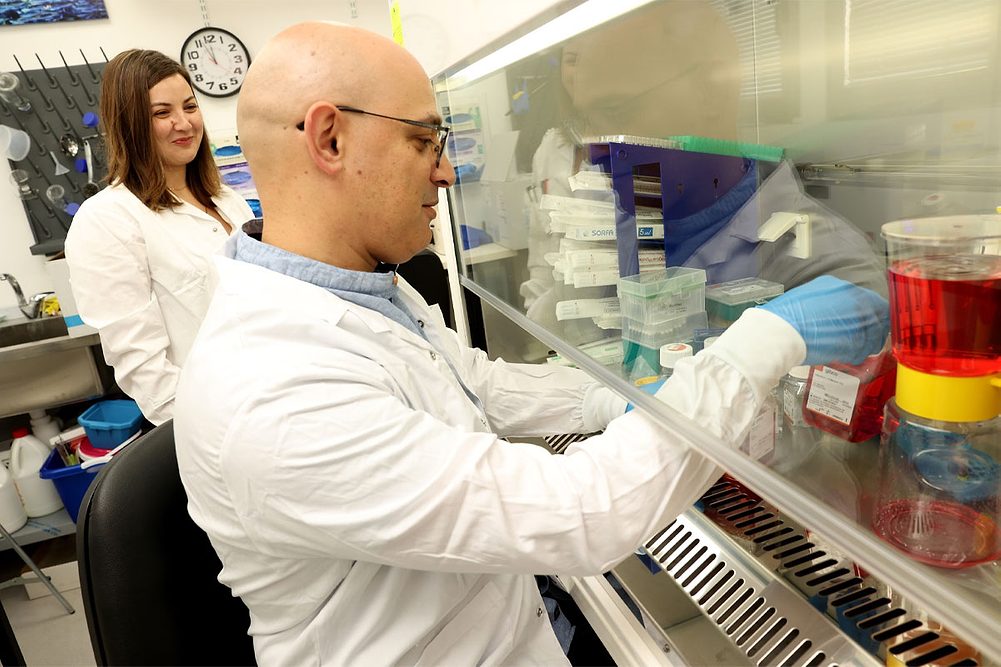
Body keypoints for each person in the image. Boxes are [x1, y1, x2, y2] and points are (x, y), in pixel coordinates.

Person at [173, 22, 889, 665]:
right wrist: (761, 340)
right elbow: (585, 510)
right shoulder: (270, 392)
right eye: (423, 141)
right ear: (329, 139)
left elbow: (475, 384)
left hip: (506, 617)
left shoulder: (359, 289)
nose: (447, 172)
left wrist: (618, 398)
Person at [520, 1, 886, 347]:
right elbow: (553, 333)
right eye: (586, 123)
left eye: (616, 111)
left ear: (711, 91)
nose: (595, 155)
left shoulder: (824, 264)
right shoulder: (621, 228)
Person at [64, 49, 254, 425]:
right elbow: (145, 371)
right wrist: (221, 429)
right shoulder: (107, 220)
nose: (183, 123)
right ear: (130, 124)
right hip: (220, 427)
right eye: (161, 113)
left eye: (189, 106)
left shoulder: (228, 201)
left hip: (278, 399)